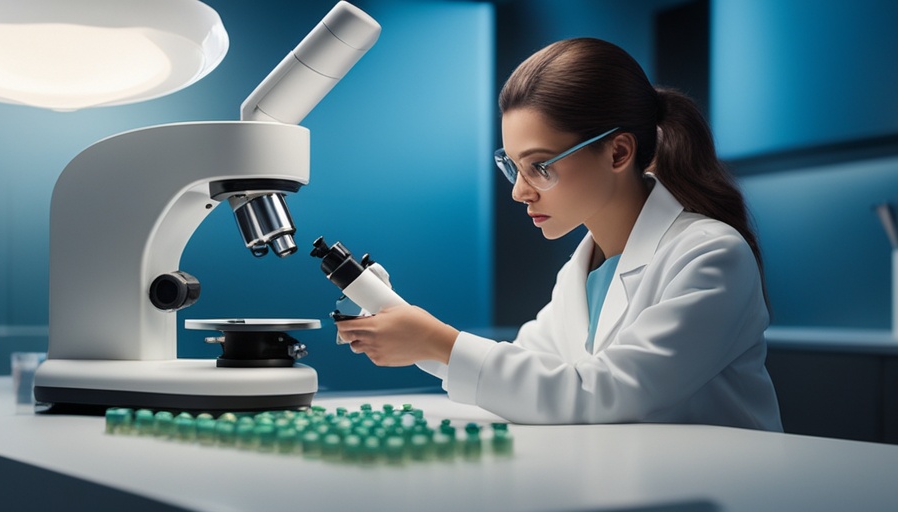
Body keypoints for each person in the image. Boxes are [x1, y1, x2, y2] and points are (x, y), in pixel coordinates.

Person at [335, 38, 782, 431]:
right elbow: (530, 377)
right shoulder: (581, 271)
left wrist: (436, 340)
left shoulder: (710, 255)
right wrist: (406, 327)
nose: (518, 191)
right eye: (512, 166)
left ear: (618, 152)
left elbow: (607, 393)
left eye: (540, 166)